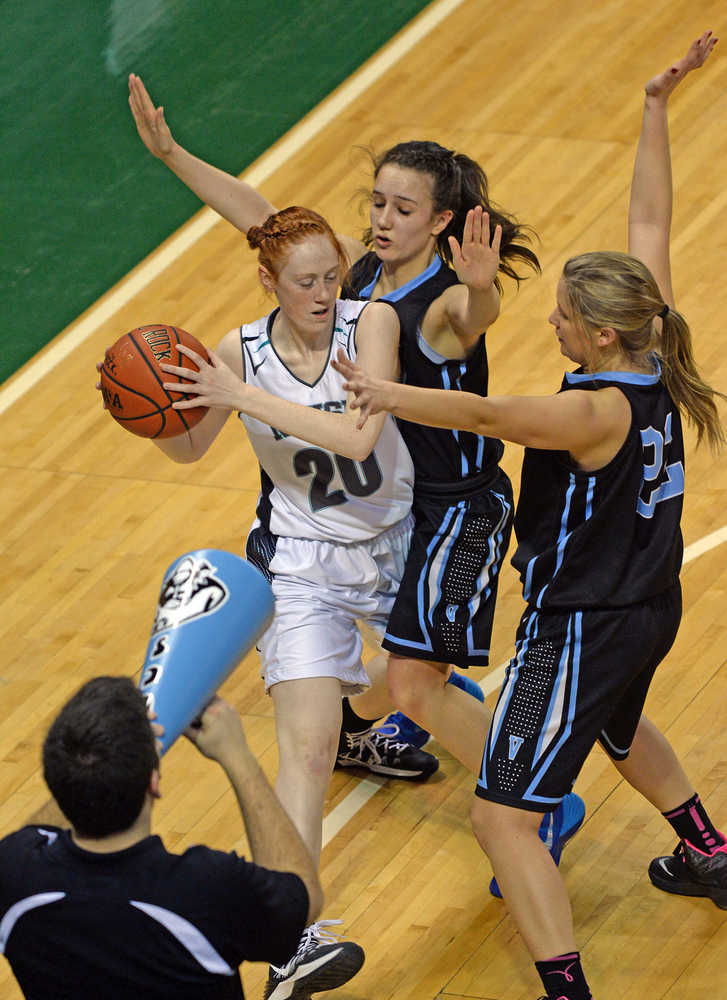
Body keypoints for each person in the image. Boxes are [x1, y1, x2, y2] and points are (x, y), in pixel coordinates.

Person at [331, 33, 725, 1000]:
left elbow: (480, 412)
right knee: (619, 729)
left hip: (582, 621)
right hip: (645, 607)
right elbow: (648, 221)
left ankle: (565, 990)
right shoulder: (652, 349)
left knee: (501, 819)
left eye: (558, 317)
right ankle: (709, 852)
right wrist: (651, 107)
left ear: (596, 333)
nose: (545, 323)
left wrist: (383, 393)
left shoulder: (590, 407)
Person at [128, 78, 586, 891]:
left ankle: (537, 795)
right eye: (376, 202)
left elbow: (471, 317)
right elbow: (263, 223)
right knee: (403, 676)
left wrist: (481, 284)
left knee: (412, 678)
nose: (380, 220)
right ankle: (387, 728)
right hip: (389, 499)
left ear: (442, 221)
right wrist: (172, 155)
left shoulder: (436, 299)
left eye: (402, 209)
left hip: (456, 507)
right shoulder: (358, 273)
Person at [115, 204, 440, 998]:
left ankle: (522, 782)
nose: (324, 292)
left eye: (331, 275)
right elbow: (191, 447)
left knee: (433, 694)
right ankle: (292, 939)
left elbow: (361, 440)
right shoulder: (239, 350)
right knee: (302, 747)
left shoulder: (374, 324)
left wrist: (239, 395)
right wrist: (149, 405)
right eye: (305, 282)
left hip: (400, 545)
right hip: (301, 563)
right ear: (268, 281)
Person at [0, 677, 323, 1000]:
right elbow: (302, 896)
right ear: (154, 783)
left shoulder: (15, 875)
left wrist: (95, 759)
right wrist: (238, 757)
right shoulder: (207, 889)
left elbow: (39, 826)